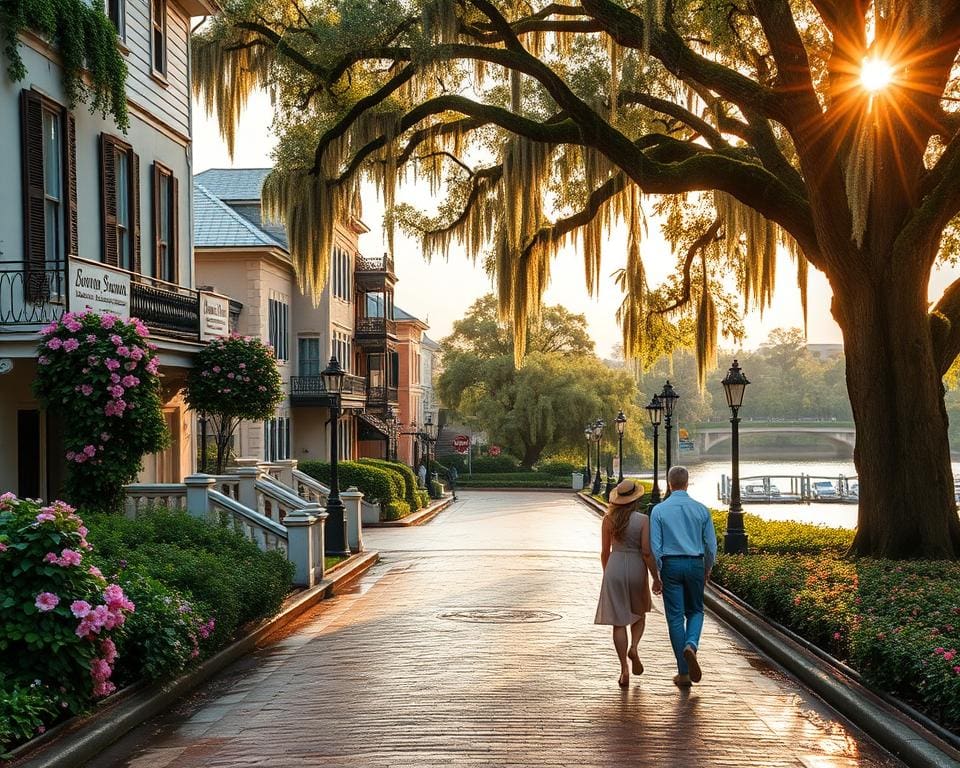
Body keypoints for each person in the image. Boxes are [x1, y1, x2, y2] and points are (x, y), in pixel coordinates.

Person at [650, 465, 718, 688]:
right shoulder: (701, 510)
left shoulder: (659, 511)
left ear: (669, 484)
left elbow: (655, 547)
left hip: (671, 564)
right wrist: (707, 567)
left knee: (676, 618)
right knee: (696, 610)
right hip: (695, 562)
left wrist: (658, 574)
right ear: (687, 483)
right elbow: (711, 545)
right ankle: (691, 644)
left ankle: (684, 672)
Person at [594, 479, 662, 688]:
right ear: (636, 499)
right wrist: (655, 577)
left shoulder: (608, 519)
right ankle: (634, 646)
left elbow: (605, 551)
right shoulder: (643, 520)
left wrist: (608, 571)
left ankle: (624, 668)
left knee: (618, 621)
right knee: (639, 612)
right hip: (635, 567)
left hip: (614, 564)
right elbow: (646, 552)